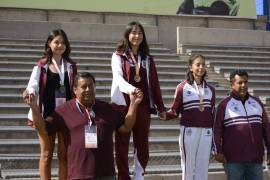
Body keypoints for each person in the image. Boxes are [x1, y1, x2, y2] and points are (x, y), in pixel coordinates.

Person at [23, 72, 143, 179]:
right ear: (75, 90)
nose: (88, 89)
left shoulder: (107, 108)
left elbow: (126, 127)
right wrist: (34, 107)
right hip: (77, 175)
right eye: (83, 86)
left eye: (91, 86)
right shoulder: (63, 110)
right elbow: (43, 129)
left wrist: (134, 103)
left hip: (107, 174)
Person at [111, 21, 166, 180]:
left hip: (142, 106)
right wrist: (132, 90)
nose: (136, 36)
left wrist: (160, 107)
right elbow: (118, 78)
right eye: (133, 33)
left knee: (142, 143)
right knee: (121, 143)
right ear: (127, 35)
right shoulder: (118, 56)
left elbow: (154, 84)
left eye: (140, 33)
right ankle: (123, 176)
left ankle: (139, 175)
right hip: (123, 105)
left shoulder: (148, 59)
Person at [23, 29, 77, 180]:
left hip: (66, 117)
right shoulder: (41, 65)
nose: (60, 45)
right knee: (46, 154)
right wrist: (29, 93)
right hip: (46, 116)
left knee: (64, 156)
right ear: (49, 43)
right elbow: (32, 85)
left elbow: (74, 88)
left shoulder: (71, 66)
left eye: (63, 43)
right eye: (56, 42)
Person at [165, 54, 216, 180]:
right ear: (190, 67)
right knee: (188, 167)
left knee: (203, 167)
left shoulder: (211, 90)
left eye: (203, 65)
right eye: (197, 64)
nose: (201, 67)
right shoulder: (182, 87)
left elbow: (212, 113)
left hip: (206, 132)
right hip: (189, 131)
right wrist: (163, 114)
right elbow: (174, 110)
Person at [213, 69, 270, 180]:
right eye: (240, 83)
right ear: (232, 84)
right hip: (233, 160)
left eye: (245, 82)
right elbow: (216, 130)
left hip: (255, 159)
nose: (243, 85)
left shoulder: (257, 103)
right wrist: (218, 151)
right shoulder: (224, 105)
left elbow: (266, 129)